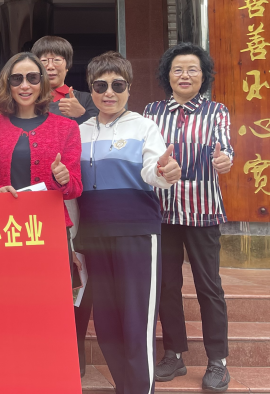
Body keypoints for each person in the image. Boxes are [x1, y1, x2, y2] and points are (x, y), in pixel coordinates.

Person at [76, 51, 181, 394]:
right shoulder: (79, 131)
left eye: (117, 85)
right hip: (94, 236)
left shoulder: (144, 127)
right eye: (100, 86)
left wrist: (165, 172)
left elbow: (154, 169)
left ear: (129, 88)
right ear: (91, 89)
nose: (109, 92)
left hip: (136, 233)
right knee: (107, 324)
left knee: (137, 322)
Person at [144, 43, 233, 392]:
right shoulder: (152, 112)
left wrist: (224, 159)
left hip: (203, 211)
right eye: (178, 69)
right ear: (167, 75)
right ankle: (174, 354)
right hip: (163, 212)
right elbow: (145, 155)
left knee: (209, 286)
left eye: (192, 69)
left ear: (203, 75)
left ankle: (218, 361)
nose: (185, 75)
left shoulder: (216, 111)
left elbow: (225, 147)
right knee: (167, 286)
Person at [0, 52, 82, 275]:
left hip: (50, 227)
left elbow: (75, 188)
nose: (25, 86)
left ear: (42, 82)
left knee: (51, 293)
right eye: (17, 79)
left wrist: (63, 179)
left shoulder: (66, 128)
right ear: (8, 84)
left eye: (32, 78)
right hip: (3, 227)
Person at [30, 35, 97, 377]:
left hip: (71, 200)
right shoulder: (26, 99)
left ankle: (75, 345)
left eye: (57, 58)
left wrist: (84, 116)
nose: (50, 64)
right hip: (30, 202)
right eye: (43, 58)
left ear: (68, 65)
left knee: (74, 270)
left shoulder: (85, 100)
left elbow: (102, 134)